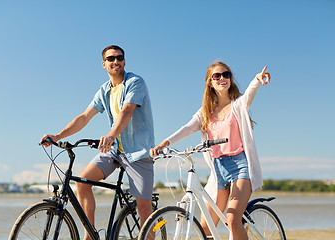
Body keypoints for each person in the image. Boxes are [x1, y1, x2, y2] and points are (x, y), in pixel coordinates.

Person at [41, 45, 155, 240]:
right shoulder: (104, 90)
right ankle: (89, 236)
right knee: (83, 183)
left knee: (144, 207)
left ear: (124, 61)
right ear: (104, 64)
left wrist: (111, 135)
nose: (115, 62)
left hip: (138, 151)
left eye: (119, 58)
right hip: (114, 151)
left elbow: (127, 111)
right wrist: (58, 136)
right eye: (110, 59)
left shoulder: (135, 82)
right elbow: (85, 117)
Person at [150, 61, 270, 240]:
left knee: (232, 217)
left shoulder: (237, 106)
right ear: (210, 82)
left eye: (226, 74)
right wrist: (164, 143)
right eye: (217, 76)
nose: (222, 78)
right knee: (205, 229)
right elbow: (188, 128)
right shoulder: (206, 112)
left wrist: (256, 80)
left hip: (240, 166)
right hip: (218, 170)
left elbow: (248, 97)